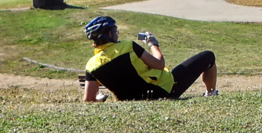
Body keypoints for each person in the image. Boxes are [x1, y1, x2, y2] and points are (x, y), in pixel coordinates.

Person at [82, 16, 218, 102]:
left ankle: (210, 93)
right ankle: (211, 93)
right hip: (163, 90)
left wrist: (98, 98)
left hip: (129, 101)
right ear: (109, 33)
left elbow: (88, 99)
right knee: (208, 56)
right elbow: (159, 64)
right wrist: (153, 44)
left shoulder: (91, 66)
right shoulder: (128, 46)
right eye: (114, 30)